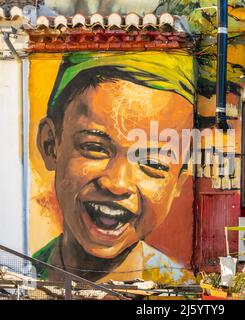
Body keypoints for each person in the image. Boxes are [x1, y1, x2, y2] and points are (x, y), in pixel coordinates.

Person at [34, 51, 196, 284]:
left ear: (177, 183)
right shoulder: (21, 277)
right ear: (51, 144)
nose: (118, 184)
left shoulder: (182, 294)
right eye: (95, 147)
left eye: (152, 163)